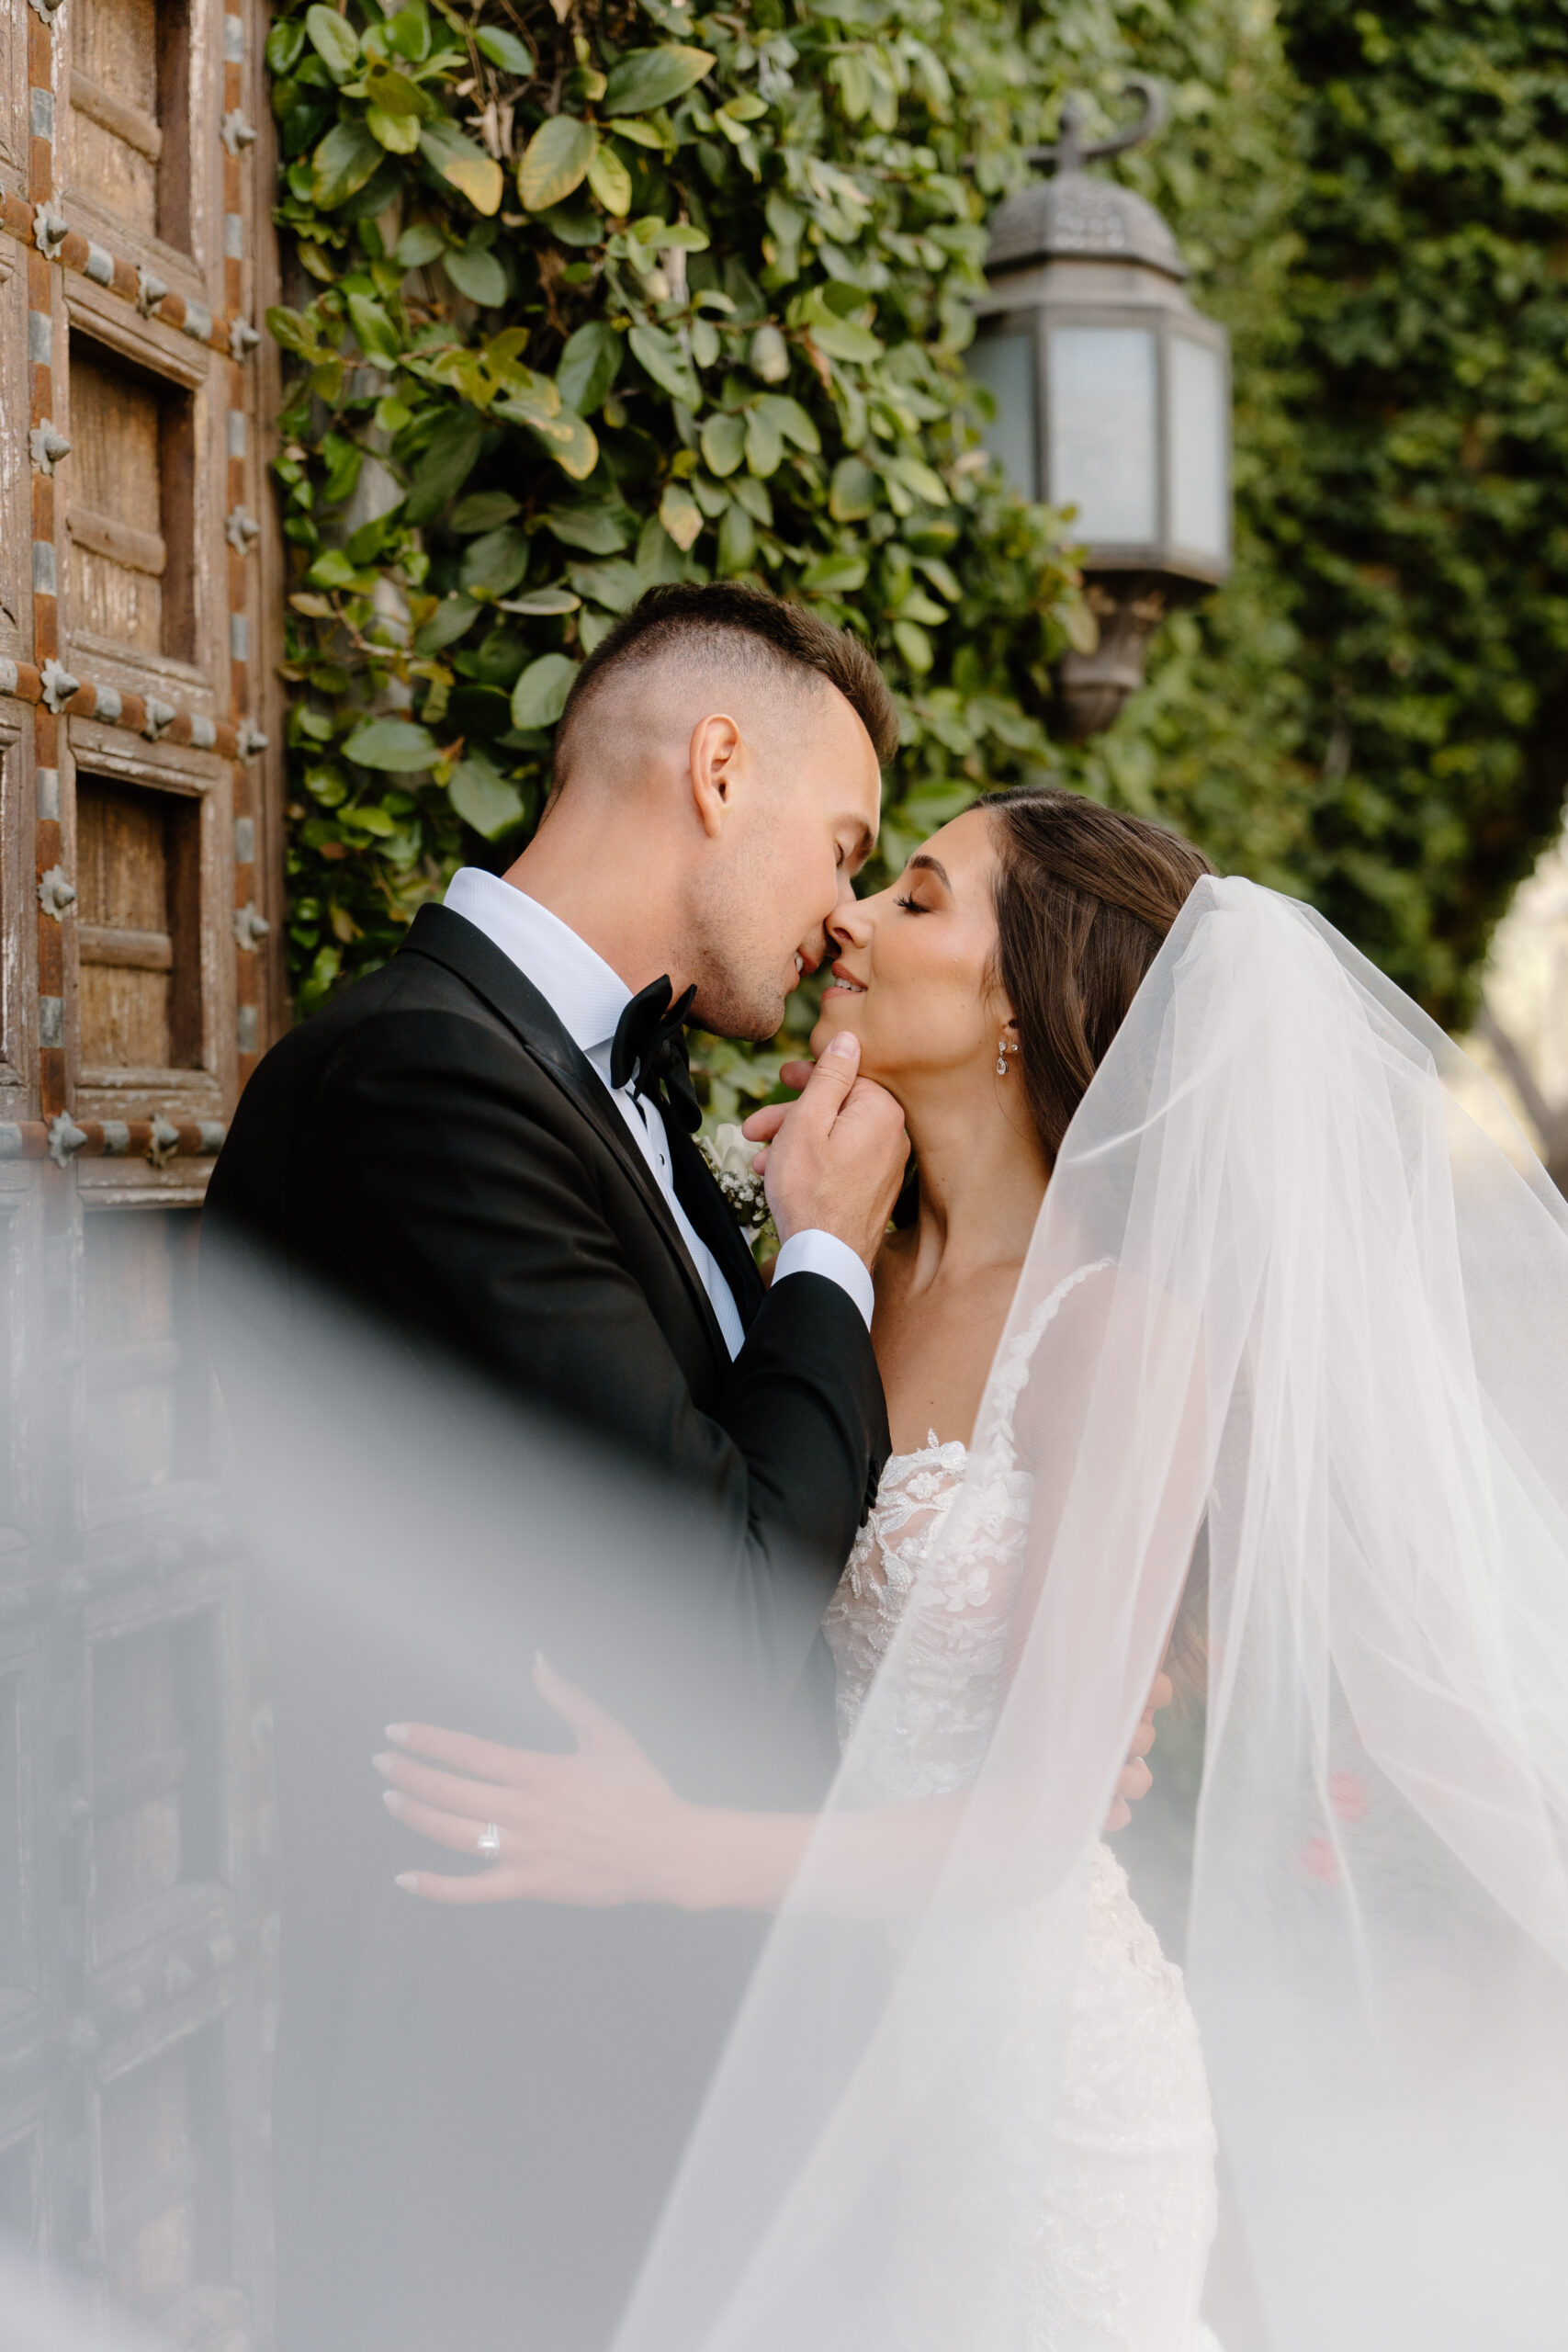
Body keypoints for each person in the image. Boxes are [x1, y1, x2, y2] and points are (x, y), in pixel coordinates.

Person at [376, 787, 1568, 2351]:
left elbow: (1033, 1822)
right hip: (830, 2040)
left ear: (1024, 1006)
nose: (850, 922)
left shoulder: (1116, 1329)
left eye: (920, 899)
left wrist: (669, 1844)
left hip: (1033, 2091)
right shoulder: (833, 1276)